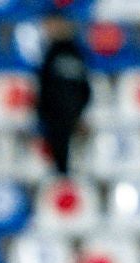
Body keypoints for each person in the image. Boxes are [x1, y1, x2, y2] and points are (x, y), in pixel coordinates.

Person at [35, 17, 91, 175]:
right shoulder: (56, 52)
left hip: (64, 114)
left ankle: (65, 177)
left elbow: (84, 87)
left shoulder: (68, 53)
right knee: (58, 159)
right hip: (58, 114)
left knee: (69, 158)